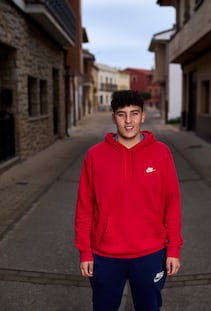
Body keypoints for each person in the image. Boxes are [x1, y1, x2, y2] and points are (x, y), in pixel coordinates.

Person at [75, 90, 183, 311]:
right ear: (113, 117)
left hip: (150, 254)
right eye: (121, 114)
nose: (128, 120)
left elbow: (172, 205)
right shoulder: (94, 156)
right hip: (105, 256)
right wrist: (85, 251)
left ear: (143, 116)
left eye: (134, 113)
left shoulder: (161, 153)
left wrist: (173, 249)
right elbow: (84, 208)